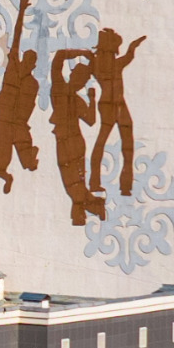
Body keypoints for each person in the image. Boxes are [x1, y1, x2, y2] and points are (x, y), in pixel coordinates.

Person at [87, 29, 147, 196]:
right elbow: (128, 56)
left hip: (117, 104)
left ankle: (122, 185)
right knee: (110, 143)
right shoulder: (105, 64)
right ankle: (99, 183)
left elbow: (128, 56)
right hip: (111, 105)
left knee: (123, 143)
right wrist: (132, 47)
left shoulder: (101, 64)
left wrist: (133, 46)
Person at [0, 0, 41, 192]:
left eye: (31, 61)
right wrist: (21, 11)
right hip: (4, 122)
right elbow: (17, 36)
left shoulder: (33, 84)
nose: (27, 63)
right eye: (26, 59)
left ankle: (30, 155)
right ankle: (7, 178)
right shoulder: (13, 66)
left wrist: (22, 126)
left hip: (18, 125)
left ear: (34, 65)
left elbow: (29, 107)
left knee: (29, 164)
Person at [48, 49, 105, 225]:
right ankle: (87, 210)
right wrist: (86, 55)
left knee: (73, 182)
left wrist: (85, 55)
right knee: (74, 182)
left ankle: (90, 208)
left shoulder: (61, 90)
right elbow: (91, 120)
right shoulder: (61, 90)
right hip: (72, 140)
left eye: (82, 79)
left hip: (69, 141)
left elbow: (91, 121)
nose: (79, 82)